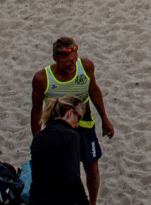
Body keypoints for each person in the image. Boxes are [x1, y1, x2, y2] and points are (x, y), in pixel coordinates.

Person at [30, 37, 115, 205]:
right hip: (58, 132)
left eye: (75, 60)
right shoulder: (42, 79)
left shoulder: (86, 67)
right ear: (56, 58)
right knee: (64, 174)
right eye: (68, 62)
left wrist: (104, 118)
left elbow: (94, 90)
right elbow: (36, 111)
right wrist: (37, 139)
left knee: (92, 169)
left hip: (84, 126)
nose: (72, 65)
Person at [29, 94, 89, 205]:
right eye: (79, 118)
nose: (77, 125)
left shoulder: (38, 137)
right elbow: (72, 178)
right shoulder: (71, 136)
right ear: (70, 113)